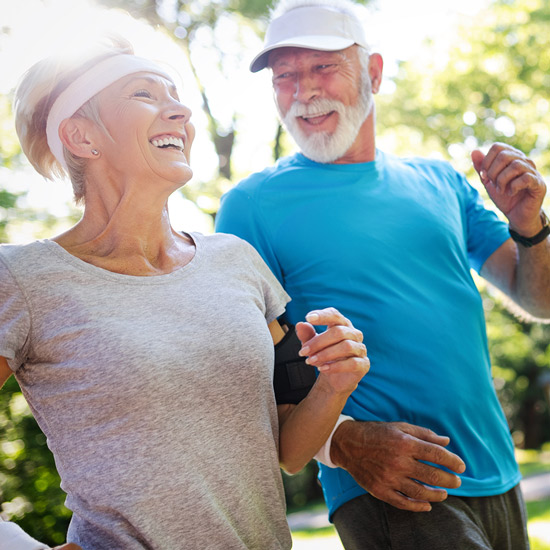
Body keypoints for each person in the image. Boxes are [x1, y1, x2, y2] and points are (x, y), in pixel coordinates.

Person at [0, 26, 371, 550]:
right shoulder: (23, 279)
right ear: (82, 135)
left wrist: (335, 383)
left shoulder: (237, 261)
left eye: (176, 98)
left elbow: (288, 449)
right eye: (145, 95)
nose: (180, 113)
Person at [215, 0, 550, 548]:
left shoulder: (441, 181)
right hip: (392, 484)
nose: (303, 91)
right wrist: (345, 445)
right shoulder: (251, 207)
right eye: (285, 77)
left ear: (373, 72)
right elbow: (248, 379)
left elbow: (540, 300)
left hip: (497, 471)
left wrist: (530, 227)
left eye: (323, 68)